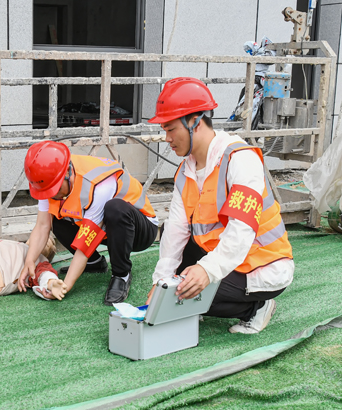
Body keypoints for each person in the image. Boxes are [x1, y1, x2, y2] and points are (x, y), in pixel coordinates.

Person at [148, 77, 293, 334]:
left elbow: (241, 231)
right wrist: (160, 282)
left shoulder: (241, 160)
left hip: (263, 264)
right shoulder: (186, 171)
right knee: (172, 288)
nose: (167, 138)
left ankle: (257, 308)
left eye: (170, 129)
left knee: (186, 292)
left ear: (194, 122)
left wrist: (207, 270)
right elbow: (176, 231)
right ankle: (195, 301)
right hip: (225, 256)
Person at [19, 141, 158, 305]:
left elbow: (86, 243)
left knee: (115, 209)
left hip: (139, 230)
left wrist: (66, 285)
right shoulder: (47, 181)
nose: (51, 195)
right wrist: (30, 261)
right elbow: (43, 225)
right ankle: (94, 263)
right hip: (107, 229)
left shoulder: (99, 185)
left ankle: (122, 274)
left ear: (68, 173)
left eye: (54, 190)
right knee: (54, 217)